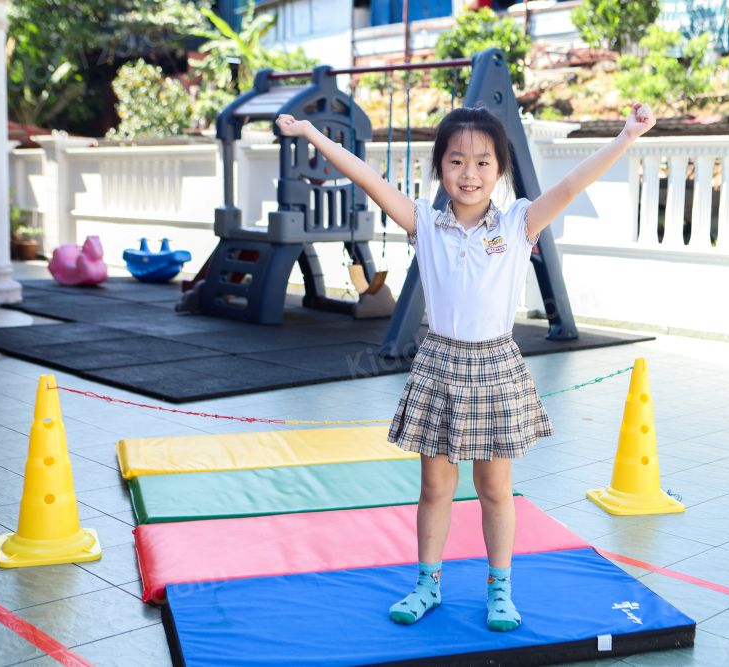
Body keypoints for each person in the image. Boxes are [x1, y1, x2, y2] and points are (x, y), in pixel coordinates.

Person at [276, 100, 656, 631]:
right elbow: (365, 177)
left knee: (495, 489)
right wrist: (312, 133)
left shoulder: (521, 222)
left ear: (499, 170)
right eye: (456, 161)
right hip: (440, 364)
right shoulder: (424, 225)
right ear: (440, 168)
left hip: (496, 365)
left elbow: (570, 186)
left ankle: (500, 590)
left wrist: (627, 135)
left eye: (482, 162)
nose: (469, 173)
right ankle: (427, 584)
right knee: (434, 487)